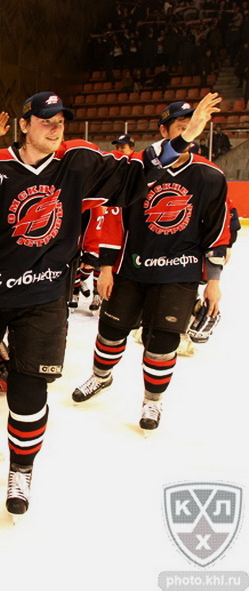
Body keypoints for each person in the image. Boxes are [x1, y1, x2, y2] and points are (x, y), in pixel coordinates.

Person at [0, 91, 220, 516]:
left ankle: (21, 472)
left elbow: (139, 169)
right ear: (24, 124)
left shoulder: (78, 162)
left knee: (29, 393)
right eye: (45, 120)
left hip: (44, 296)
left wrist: (185, 138)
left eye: (61, 121)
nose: (55, 128)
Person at [72, 99, 230, 432]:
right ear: (163, 130)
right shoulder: (140, 168)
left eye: (192, 125)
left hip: (180, 272)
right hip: (131, 268)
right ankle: (101, 376)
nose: (189, 131)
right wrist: (105, 267)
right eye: (181, 126)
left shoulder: (210, 175)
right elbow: (114, 219)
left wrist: (214, 280)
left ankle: (152, 401)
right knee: (110, 332)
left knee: (162, 343)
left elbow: (217, 230)